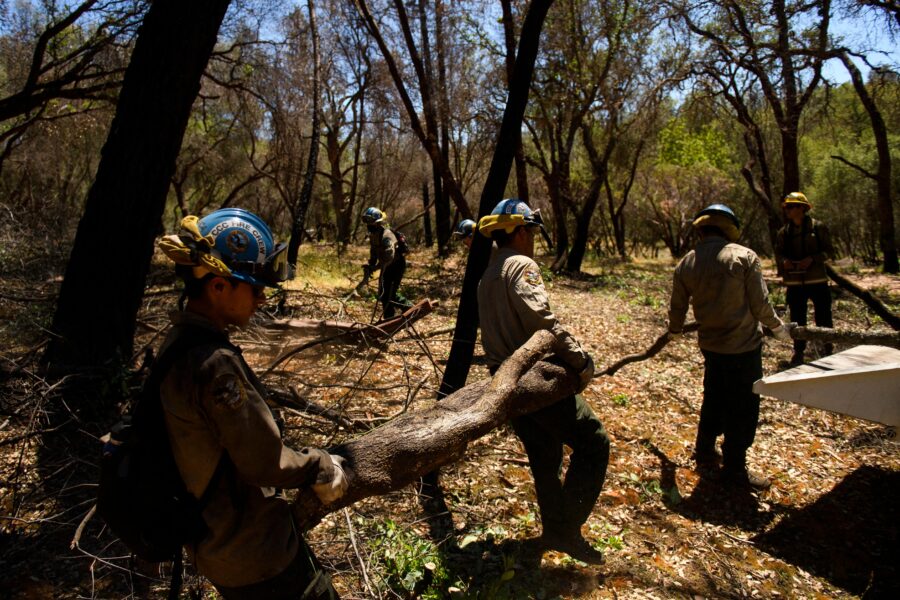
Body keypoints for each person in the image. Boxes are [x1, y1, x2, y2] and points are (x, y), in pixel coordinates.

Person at [157, 208, 347, 599]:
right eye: (252, 286)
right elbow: (264, 461)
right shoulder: (214, 365)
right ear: (218, 287)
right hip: (255, 555)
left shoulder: (177, 345)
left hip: (220, 546)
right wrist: (320, 464)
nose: (261, 297)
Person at [477, 198, 610, 564]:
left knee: (545, 457)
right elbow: (544, 323)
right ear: (519, 232)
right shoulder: (520, 264)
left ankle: (556, 529)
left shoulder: (487, 276)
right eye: (532, 232)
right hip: (536, 379)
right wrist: (580, 359)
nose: (533, 239)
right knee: (594, 441)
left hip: (503, 381)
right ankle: (566, 530)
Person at [668, 204, 792, 490]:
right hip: (743, 348)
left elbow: (677, 306)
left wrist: (675, 330)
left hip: (711, 346)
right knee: (743, 406)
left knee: (713, 395)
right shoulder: (744, 257)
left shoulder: (686, 262)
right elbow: (760, 305)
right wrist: (778, 328)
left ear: (702, 229)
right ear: (728, 229)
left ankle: (705, 449)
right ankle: (735, 467)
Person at [774, 192, 834, 365]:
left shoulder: (818, 227)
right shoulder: (783, 233)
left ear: (802, 208)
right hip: (794, 283)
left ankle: (827, 349)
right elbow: (779, 253)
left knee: (824, 316)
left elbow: (830, 251)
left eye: (791, 206)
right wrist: (785, 262)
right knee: (797, 319)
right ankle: (798, 352)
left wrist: (812, 259)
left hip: (817, 281)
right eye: (786, 207)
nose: (788, 210)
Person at [361, 206, 409, 319]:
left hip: (396, 265)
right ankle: (389, 320)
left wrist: (377, 267)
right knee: (383, 294)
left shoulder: (387, 236)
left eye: (371, 222)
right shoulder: (373, 236)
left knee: (391, 294)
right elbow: (374, 251)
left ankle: (410, 309)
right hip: (387, 266)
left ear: (377, 223)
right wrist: (371, 265)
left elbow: (390, 256)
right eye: (367, 221)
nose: (368, 225)